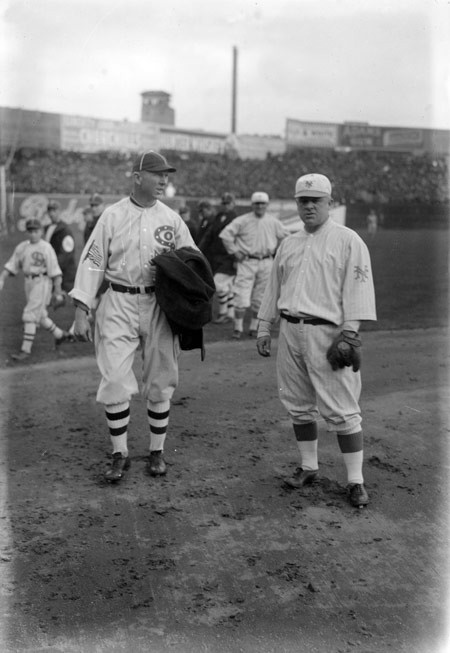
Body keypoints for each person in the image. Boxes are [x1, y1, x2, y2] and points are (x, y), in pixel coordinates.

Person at [69, 151, 199, 483]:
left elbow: (194, 264)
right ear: (137, 177)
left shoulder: (172, 219)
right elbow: (92, 262)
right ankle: (119, 453)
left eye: (167, 175)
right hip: (118, 300)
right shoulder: (112, 216)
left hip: (159, 304)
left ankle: (157, 451)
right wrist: (82, 310)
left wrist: (192, 302)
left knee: (160, 379)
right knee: (114, 378)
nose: (164, 180)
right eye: (158, 174)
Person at [256, 174, 376, 508]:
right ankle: (309, 467)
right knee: (297, 402)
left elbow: (359, 289)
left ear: (330, 203)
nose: (309, 206)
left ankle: (355, 481)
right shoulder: (289, 243)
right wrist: (265, 326)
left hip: (329, 333)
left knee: (342, 408)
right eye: (303, 200)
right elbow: (273, 290)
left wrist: (350, 333)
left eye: (316, 200)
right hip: (290, 331)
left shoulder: (348, 240)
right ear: (296, 203)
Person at [219, 191, 289, 339]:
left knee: (261, 297)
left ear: (267, 205)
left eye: (263, 203)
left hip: (266, 261)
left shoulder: (273, 221)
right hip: (247, 261)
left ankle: (253, 327)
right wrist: (235, 251)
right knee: (241, 295)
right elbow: (226, 235)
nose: (260, 206)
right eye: (257, 203)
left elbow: (287, 237)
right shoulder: (242, 220)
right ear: (252, 205)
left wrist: (279, 252)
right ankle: (238, 328)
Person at [0, 218, 70, 360]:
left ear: (41, 232)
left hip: (42, 282)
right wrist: (2, 277)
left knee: (29, 314)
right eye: (30, 231)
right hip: (28, 282)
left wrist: (57, 290)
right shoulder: (22, 247)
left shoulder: (46, 247)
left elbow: (55, 271)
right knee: (41, 315)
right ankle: (60, 335)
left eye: (36, 231)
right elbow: (12, 264)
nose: (33, 234)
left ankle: (25, 351)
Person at [198, 192, 237, 324]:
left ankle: (223, 312)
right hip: (216, 256)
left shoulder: (236, 218)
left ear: (233, 203)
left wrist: (237, 258)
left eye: (228, 203)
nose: (226, 206)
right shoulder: (219, 216)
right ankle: (230, 314)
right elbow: (209, 234)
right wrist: (199, 249)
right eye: (224, 203)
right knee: (227, 287)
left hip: (229, 256)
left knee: (219, 285)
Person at [44, 199, 77, 292]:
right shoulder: (47, 228)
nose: (51, 213)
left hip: (64, 273)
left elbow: (66, 254)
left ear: (59, 211)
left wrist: (53, 268)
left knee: (62, 300)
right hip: (52, 270)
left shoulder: (65, 230)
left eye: (54, 210)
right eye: (49, 211)